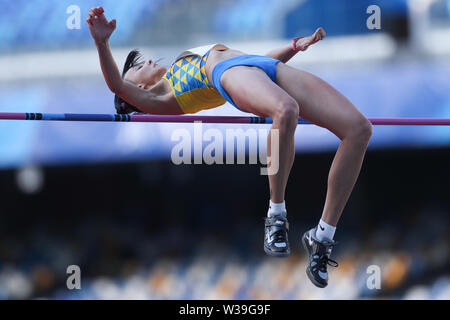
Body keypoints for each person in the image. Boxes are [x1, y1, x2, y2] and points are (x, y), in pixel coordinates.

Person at [87, 6, 372, 288]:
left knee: (359, 129)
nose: (143, 62)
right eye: (135, 70)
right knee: (285, 110)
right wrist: (102, 42)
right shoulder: (163, 101)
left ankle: (322, 237)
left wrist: (295, 46)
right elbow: (117, 86)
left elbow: (249, 62)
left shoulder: (175, 70)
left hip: (260, 67)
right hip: (228, 73)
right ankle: (276, 214)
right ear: (140, 93)